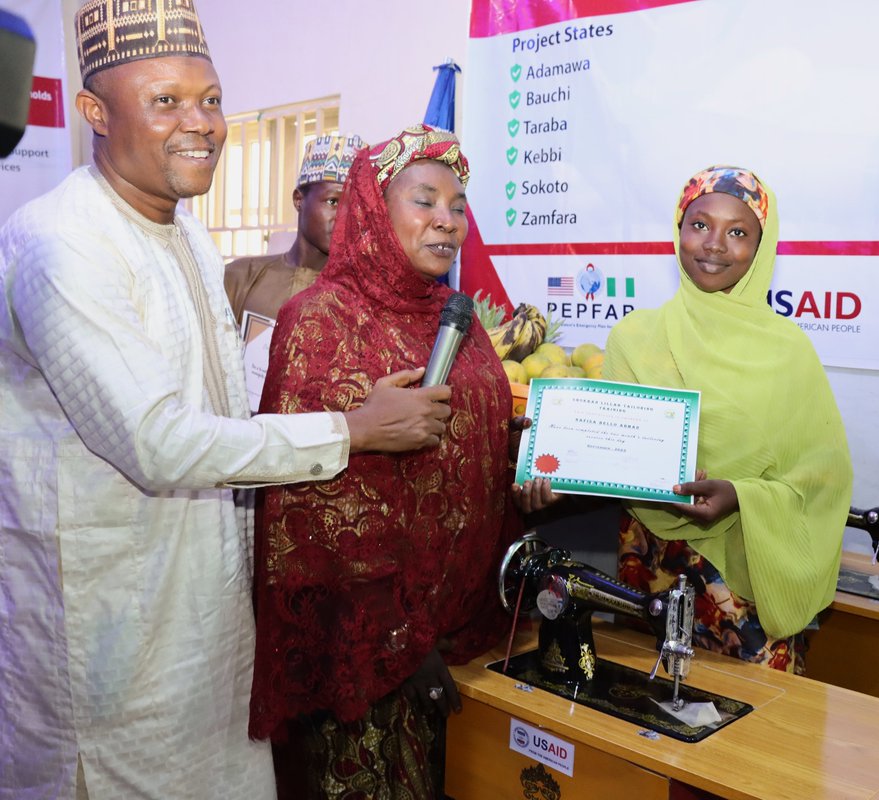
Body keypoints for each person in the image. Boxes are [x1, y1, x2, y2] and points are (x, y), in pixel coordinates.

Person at [0, 4, 452, 798]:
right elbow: (159, 442)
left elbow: (222, 416)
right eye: (165, 100)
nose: (200, 123)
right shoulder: (63, 241)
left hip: (203, 611)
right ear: (95, 113)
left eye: (210, 100)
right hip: (110, 628)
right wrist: (353, 430)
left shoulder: (186, 236)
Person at [248, 125, 549, 800]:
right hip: (368, 658)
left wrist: (524, 474)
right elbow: (310, 516)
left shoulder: (456, 317)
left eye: (458, 204)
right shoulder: (320, 320)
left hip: (464, 640)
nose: (447, 221)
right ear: (373, 211)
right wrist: (399, 643)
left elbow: (461, 459)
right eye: (425, 201)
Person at [601, 166, 854, 672]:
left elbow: (823, 479)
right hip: (652, 568)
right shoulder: (634, 338)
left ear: (762, 247)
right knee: (640, 717)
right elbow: (610, 449)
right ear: (678, 229)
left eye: (738, 232)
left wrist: (741, 495)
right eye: (699, 224)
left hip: (748, 575)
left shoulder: (789, 352)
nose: (714, 245)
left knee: (751, 736)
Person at [224, 133, 365, 326]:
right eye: (333, 201)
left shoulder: (360, 297)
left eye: (354, 207)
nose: (344, 217)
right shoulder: (241, 277)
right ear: (299, 200)